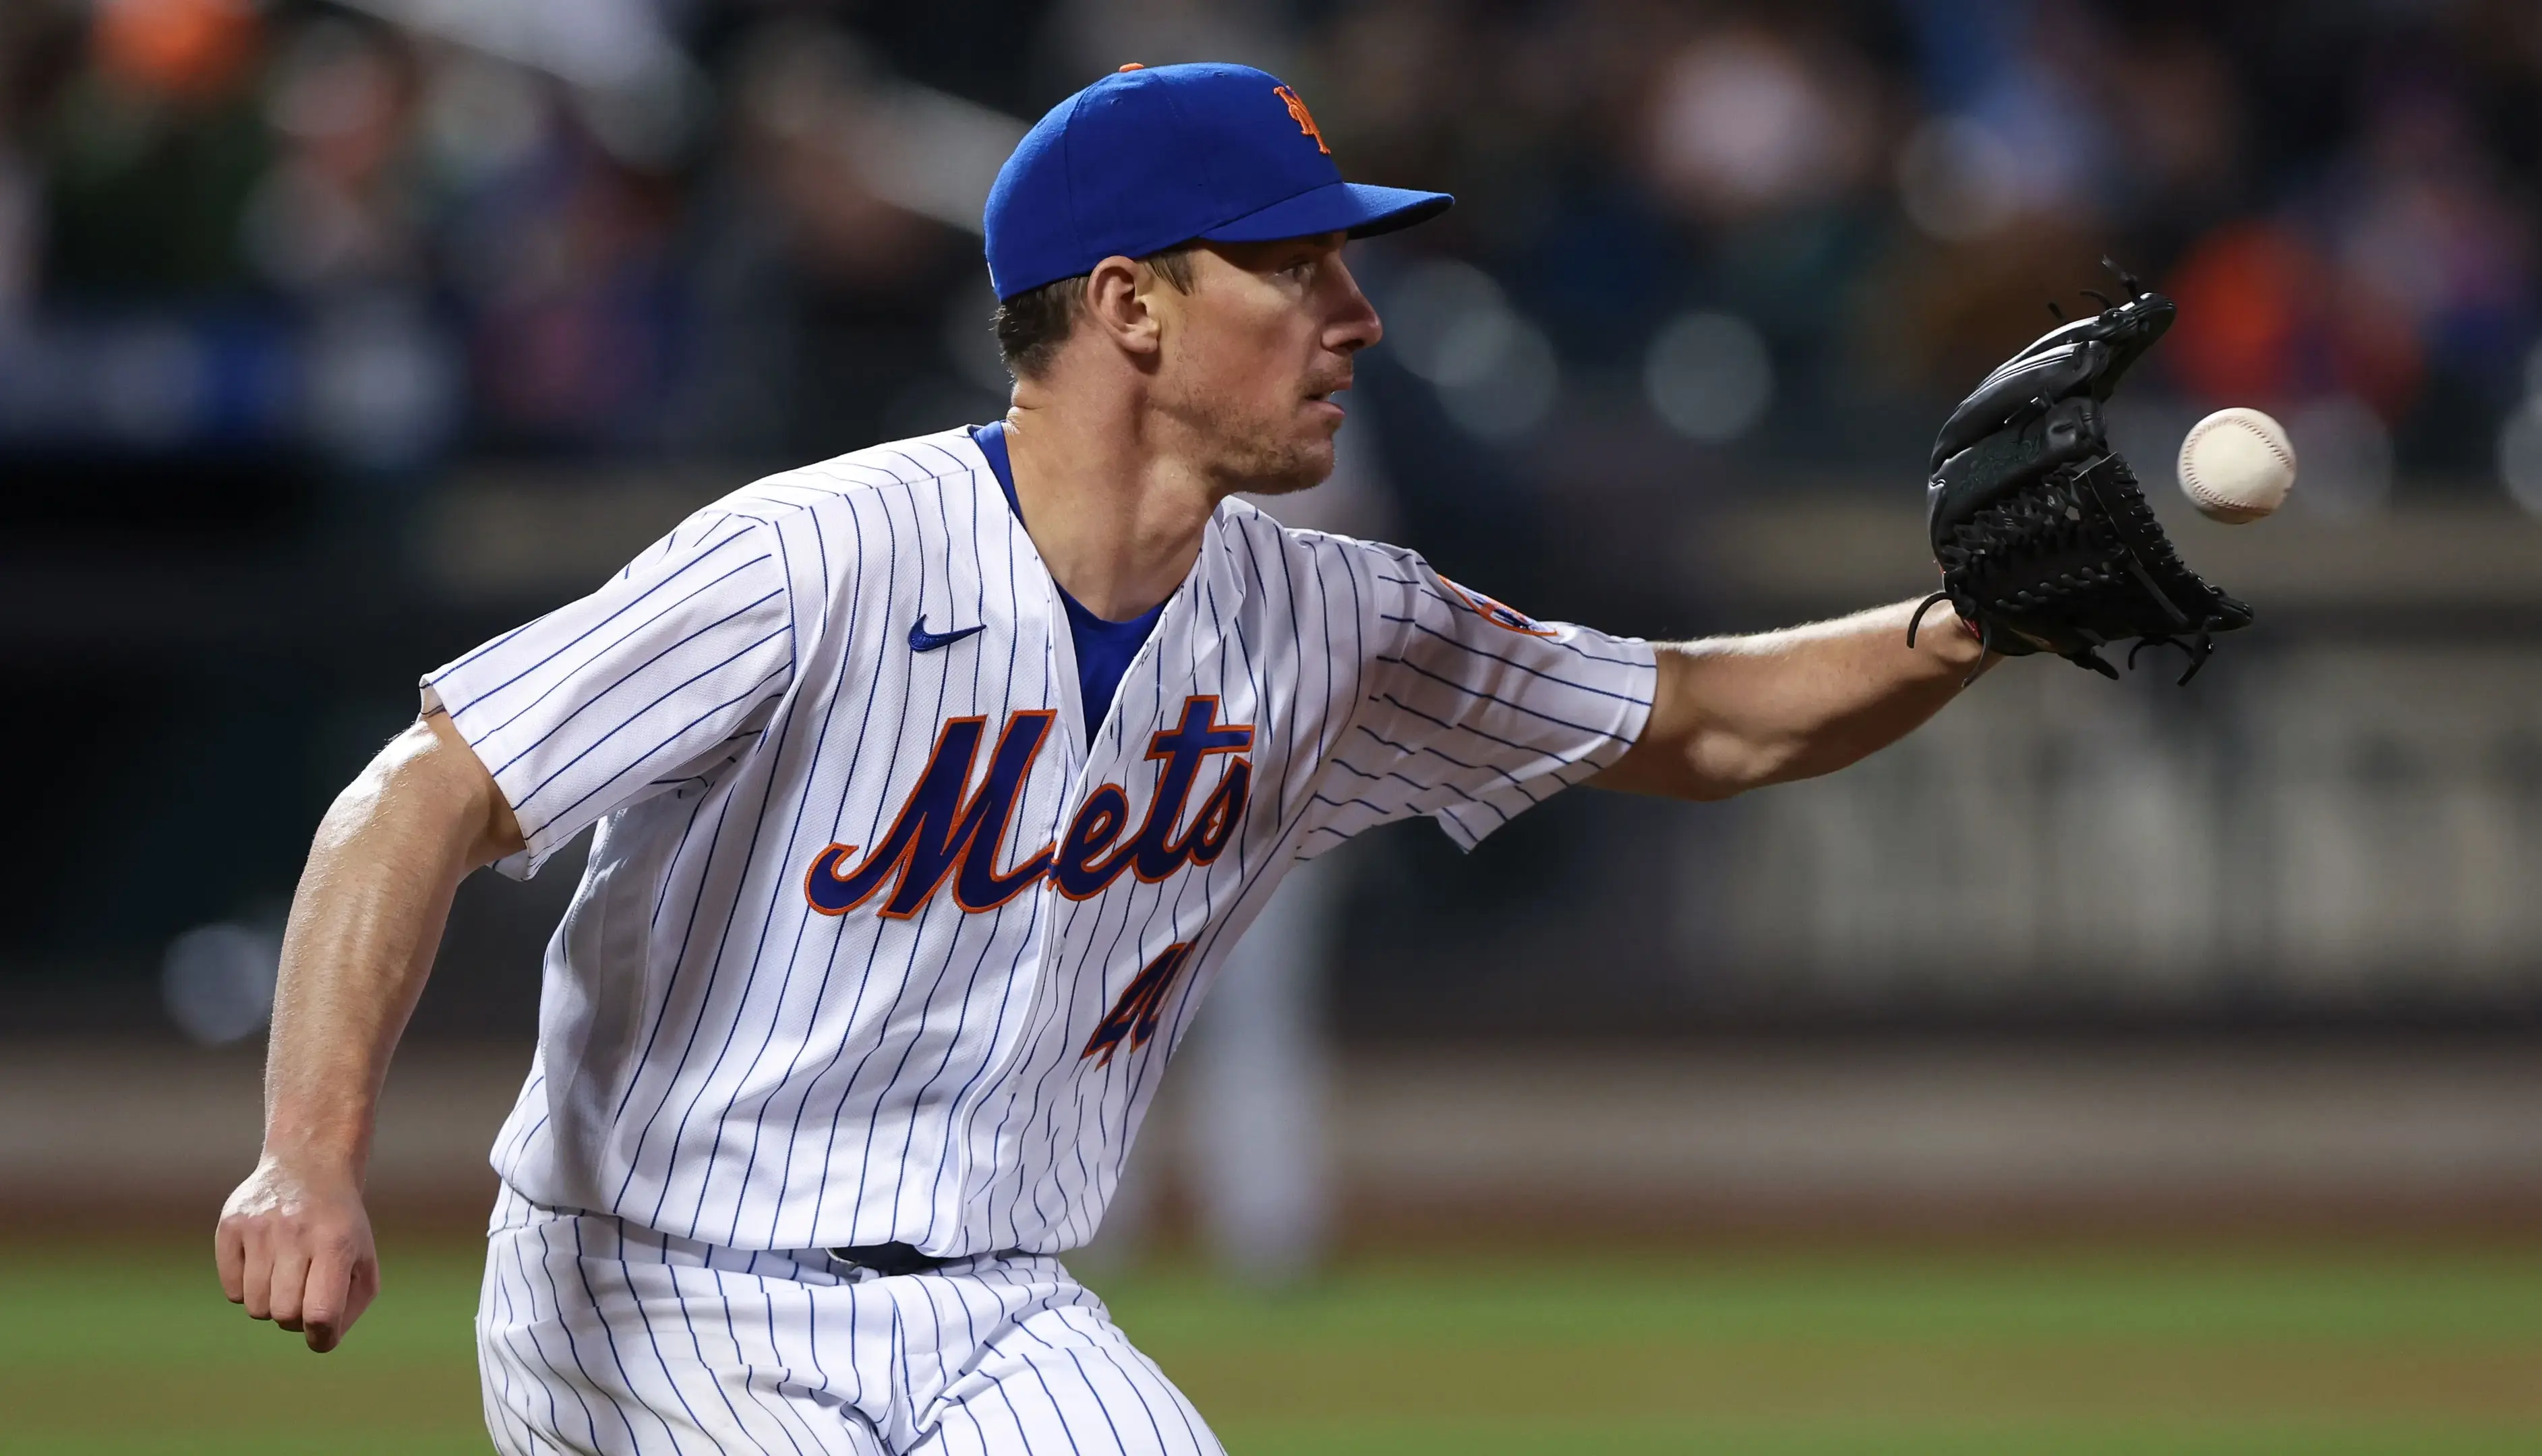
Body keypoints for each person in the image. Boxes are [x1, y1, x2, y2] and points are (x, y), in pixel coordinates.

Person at [216, 62, 1986, 1454]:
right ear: (1131, 306)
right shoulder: (815, 558)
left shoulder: (1334, 619)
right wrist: (309, 1155)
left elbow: (1706, 720)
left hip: (1001, 1312)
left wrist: (1978, 619)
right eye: (1296, 268)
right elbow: (420, 795)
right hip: (662, 1299)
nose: (1357, 314)